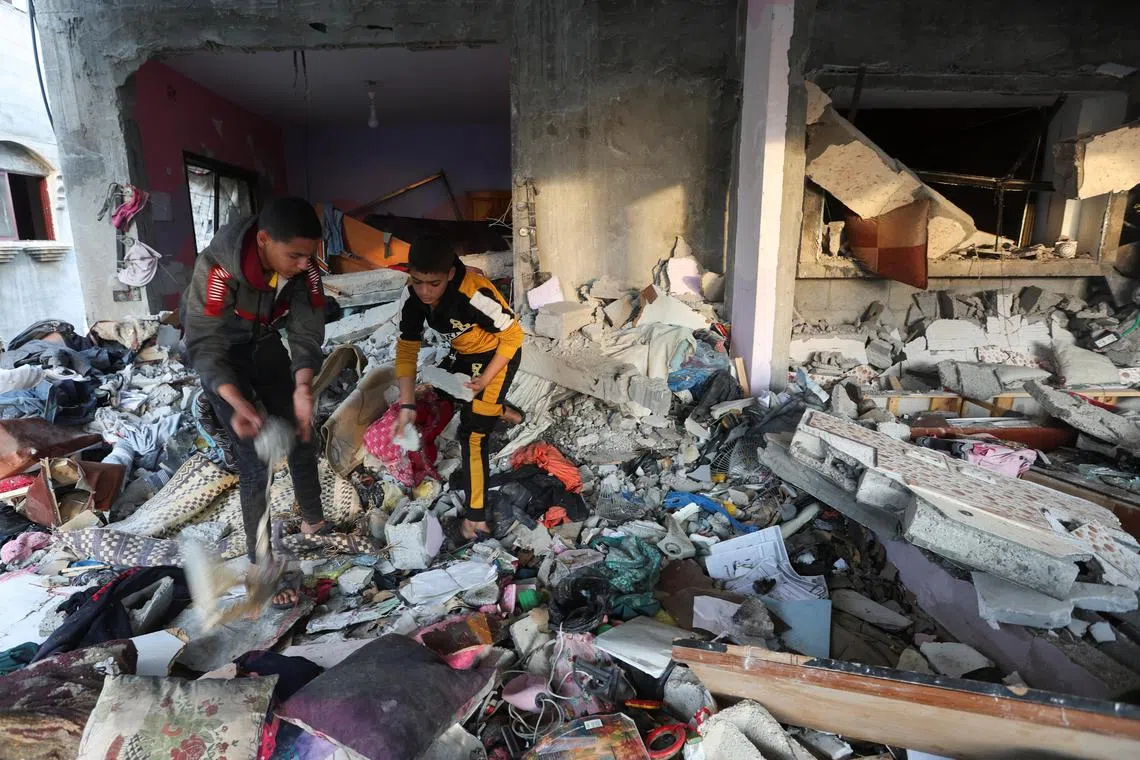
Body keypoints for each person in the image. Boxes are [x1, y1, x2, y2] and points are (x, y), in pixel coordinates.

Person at [183, 196, 328, 605]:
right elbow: (206, 346)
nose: (304, 264)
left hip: (264, 346)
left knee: (302, 431)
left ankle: (314, 522)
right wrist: (238, 403)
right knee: (254, 462)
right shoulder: (217, 270)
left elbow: (305, 332)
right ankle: (260, 563)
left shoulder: (306, 269)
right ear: (263, 240)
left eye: (310, 255)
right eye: (295, 255)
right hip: (224, 359)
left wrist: (303, 388)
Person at [392, 235, 524, 541]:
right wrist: (407, 405)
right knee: (439, 395)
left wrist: (488, 378)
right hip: (464, 353)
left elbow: (514, 337)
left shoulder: (475, 294)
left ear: (450, 274)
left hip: (496, 356)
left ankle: (475, 518)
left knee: (474, 433)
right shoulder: (413, 296)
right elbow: (407, 347)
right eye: (417, 281)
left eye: (433, 284)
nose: (424, 291)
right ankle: (499, 409)